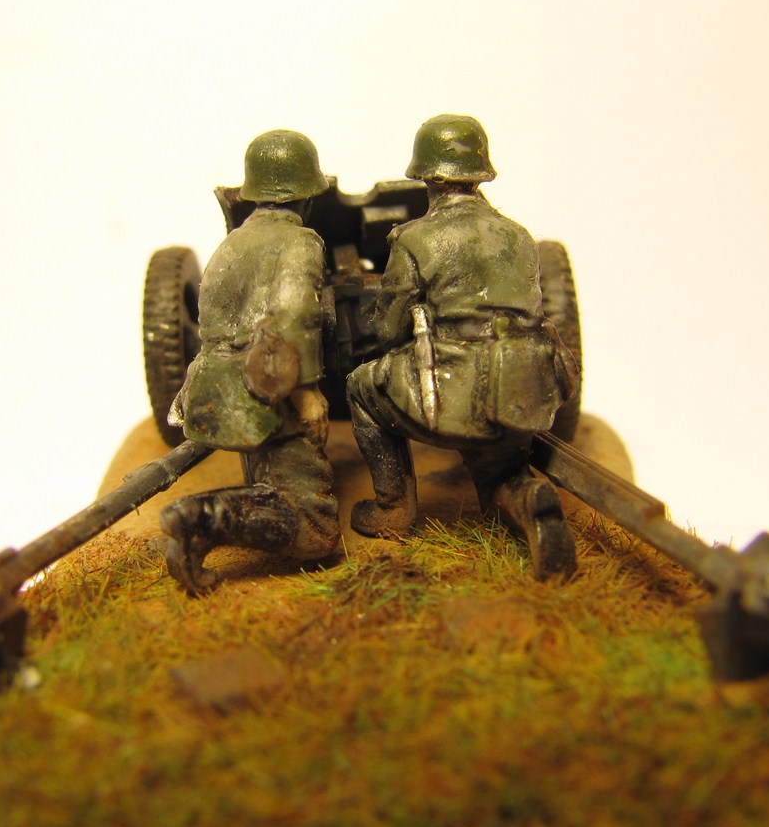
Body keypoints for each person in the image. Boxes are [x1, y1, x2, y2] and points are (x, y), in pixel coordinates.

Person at [346, 114, 578, 578]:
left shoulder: (415, 238)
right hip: (518, 390)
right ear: (480, 174)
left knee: (360, 387)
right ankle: (531, 501)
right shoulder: (518, 235)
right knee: (499, 469)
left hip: (451, 391)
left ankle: (393, 508)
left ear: (427, 178)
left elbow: (389, 330)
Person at [160, 130, 341, 595]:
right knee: (315, 529)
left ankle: (209, 520)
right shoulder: (300, 242)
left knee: (269, 479)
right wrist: (307, 392)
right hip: (266, 390)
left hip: (215, 384)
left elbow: (212, 321)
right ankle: (200, 518)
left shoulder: (232, 243)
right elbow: (295, 312)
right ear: (306, 195)